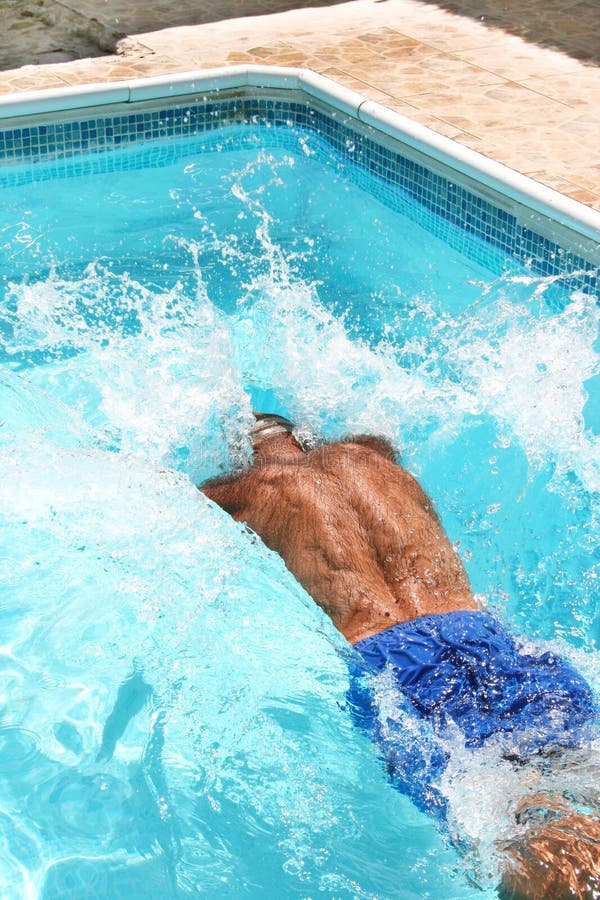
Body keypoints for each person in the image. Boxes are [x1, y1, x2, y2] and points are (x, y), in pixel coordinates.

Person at [200, 412, 600, 898]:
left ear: (247, 457)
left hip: (393, 663)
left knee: (500, 808)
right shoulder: (369, 457)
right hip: (480, 639)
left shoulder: (249, 493)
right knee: (558, 786)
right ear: (308, 437)